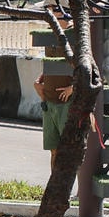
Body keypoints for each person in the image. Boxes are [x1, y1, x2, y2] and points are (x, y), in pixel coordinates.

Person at [33, 38, 74, 170]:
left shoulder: (74, 34)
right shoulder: (49, 35)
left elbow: (87, 68)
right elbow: (49, 65)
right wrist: (38, 81)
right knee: (54, 150)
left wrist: (73, 88)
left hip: (67, 103)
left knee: (69, 151)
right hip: (48, 101)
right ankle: (55, 188)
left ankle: (78, 189)